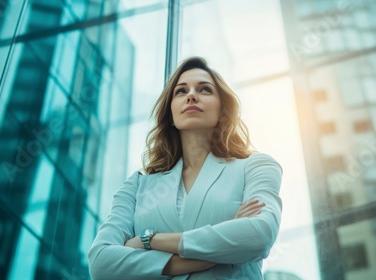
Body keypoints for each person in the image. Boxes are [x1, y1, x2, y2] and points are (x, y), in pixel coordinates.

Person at [88, 57, 283, 279]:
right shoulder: (136, 186)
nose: (191, 95)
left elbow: (259, 236)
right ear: (170, 114)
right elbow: (101, 264)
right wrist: (203, 255)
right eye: (181, 91)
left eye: (205, 89)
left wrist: (148, 240)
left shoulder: (255, 167)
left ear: (222, 111)